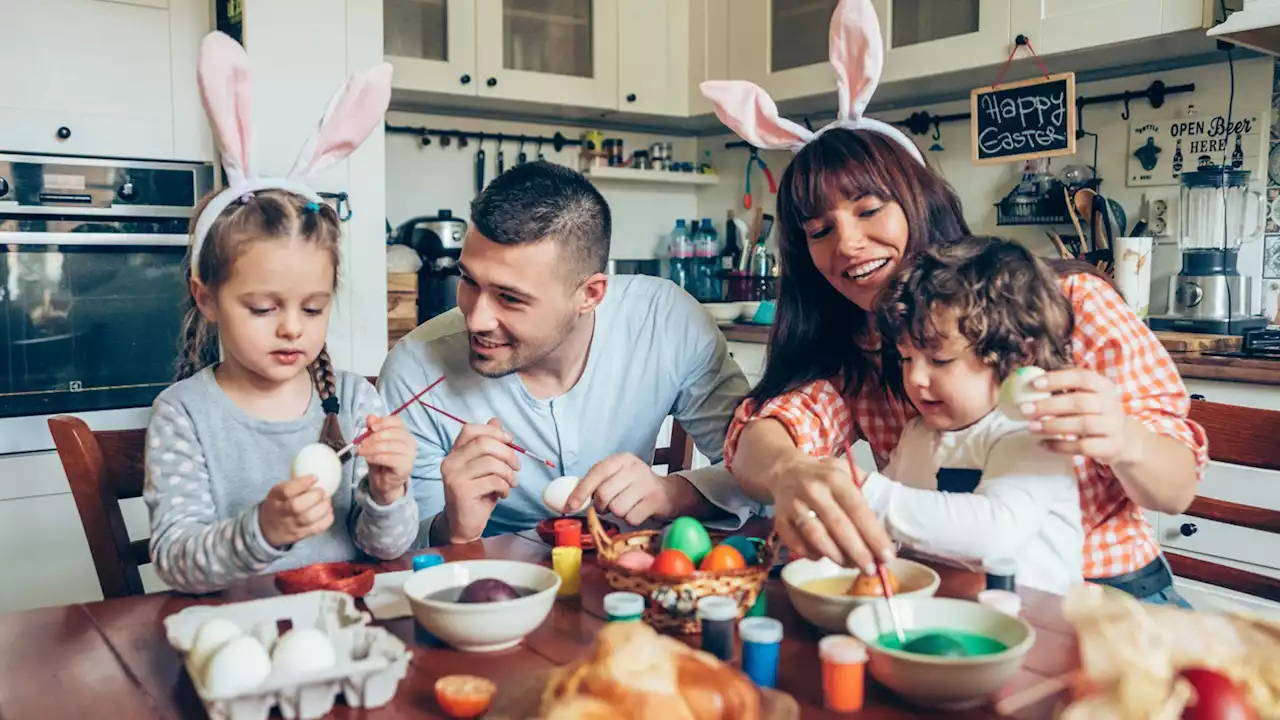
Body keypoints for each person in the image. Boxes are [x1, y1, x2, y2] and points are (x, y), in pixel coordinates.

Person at [700, 0, 1205, 606]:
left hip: (1111, 600)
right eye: (819, 231)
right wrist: (790, 473)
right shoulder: (860, 341)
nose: (849, 244)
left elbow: (1174, 490)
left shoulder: (1067, 303)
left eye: (867, 210)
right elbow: (765, 433)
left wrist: (1122, 438)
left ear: (921, 200)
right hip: (956, 598)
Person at [145, 33, 419, 594]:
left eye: (313, 307)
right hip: (237, 635)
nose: (293, 326)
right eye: (264, 307)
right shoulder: (184, 415)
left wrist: (389, 491)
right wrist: (262, 530)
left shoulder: (353, 398)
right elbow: (175, 561)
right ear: (206, 298)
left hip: (350, 629)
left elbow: (387, 549)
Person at [379, 161, 757, 546]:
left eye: (510, 298)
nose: (475, 320)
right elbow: (397, 550)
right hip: (486, 587)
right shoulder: (416, 369)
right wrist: (452, 526)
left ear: (589, 295)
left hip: (626, 577)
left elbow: (760, 472)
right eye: (469, 281)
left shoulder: (665, 322)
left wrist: (672, 494)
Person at [856, 236, 1084, 594]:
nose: (915, 378)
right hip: (947, 613)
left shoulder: (1032, 434)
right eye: (906, 358)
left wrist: (867, 491)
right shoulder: (918, 434)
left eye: (940, 360)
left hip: (1037, 625)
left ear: (1017, 355)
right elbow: (876, 518)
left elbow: (995, 532)